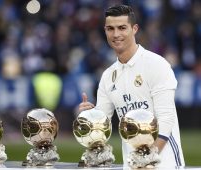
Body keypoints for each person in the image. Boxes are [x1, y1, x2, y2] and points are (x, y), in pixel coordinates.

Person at [78, 4, 185, 168]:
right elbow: (102, 125)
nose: (116, 34)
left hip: (164, 164)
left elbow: (166, 119)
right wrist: (91, 118)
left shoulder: (156, 64)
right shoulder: (108, 76)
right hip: (132, 165)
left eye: (122, 28)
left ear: (134, 29)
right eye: (110, 29)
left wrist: (148, 159)